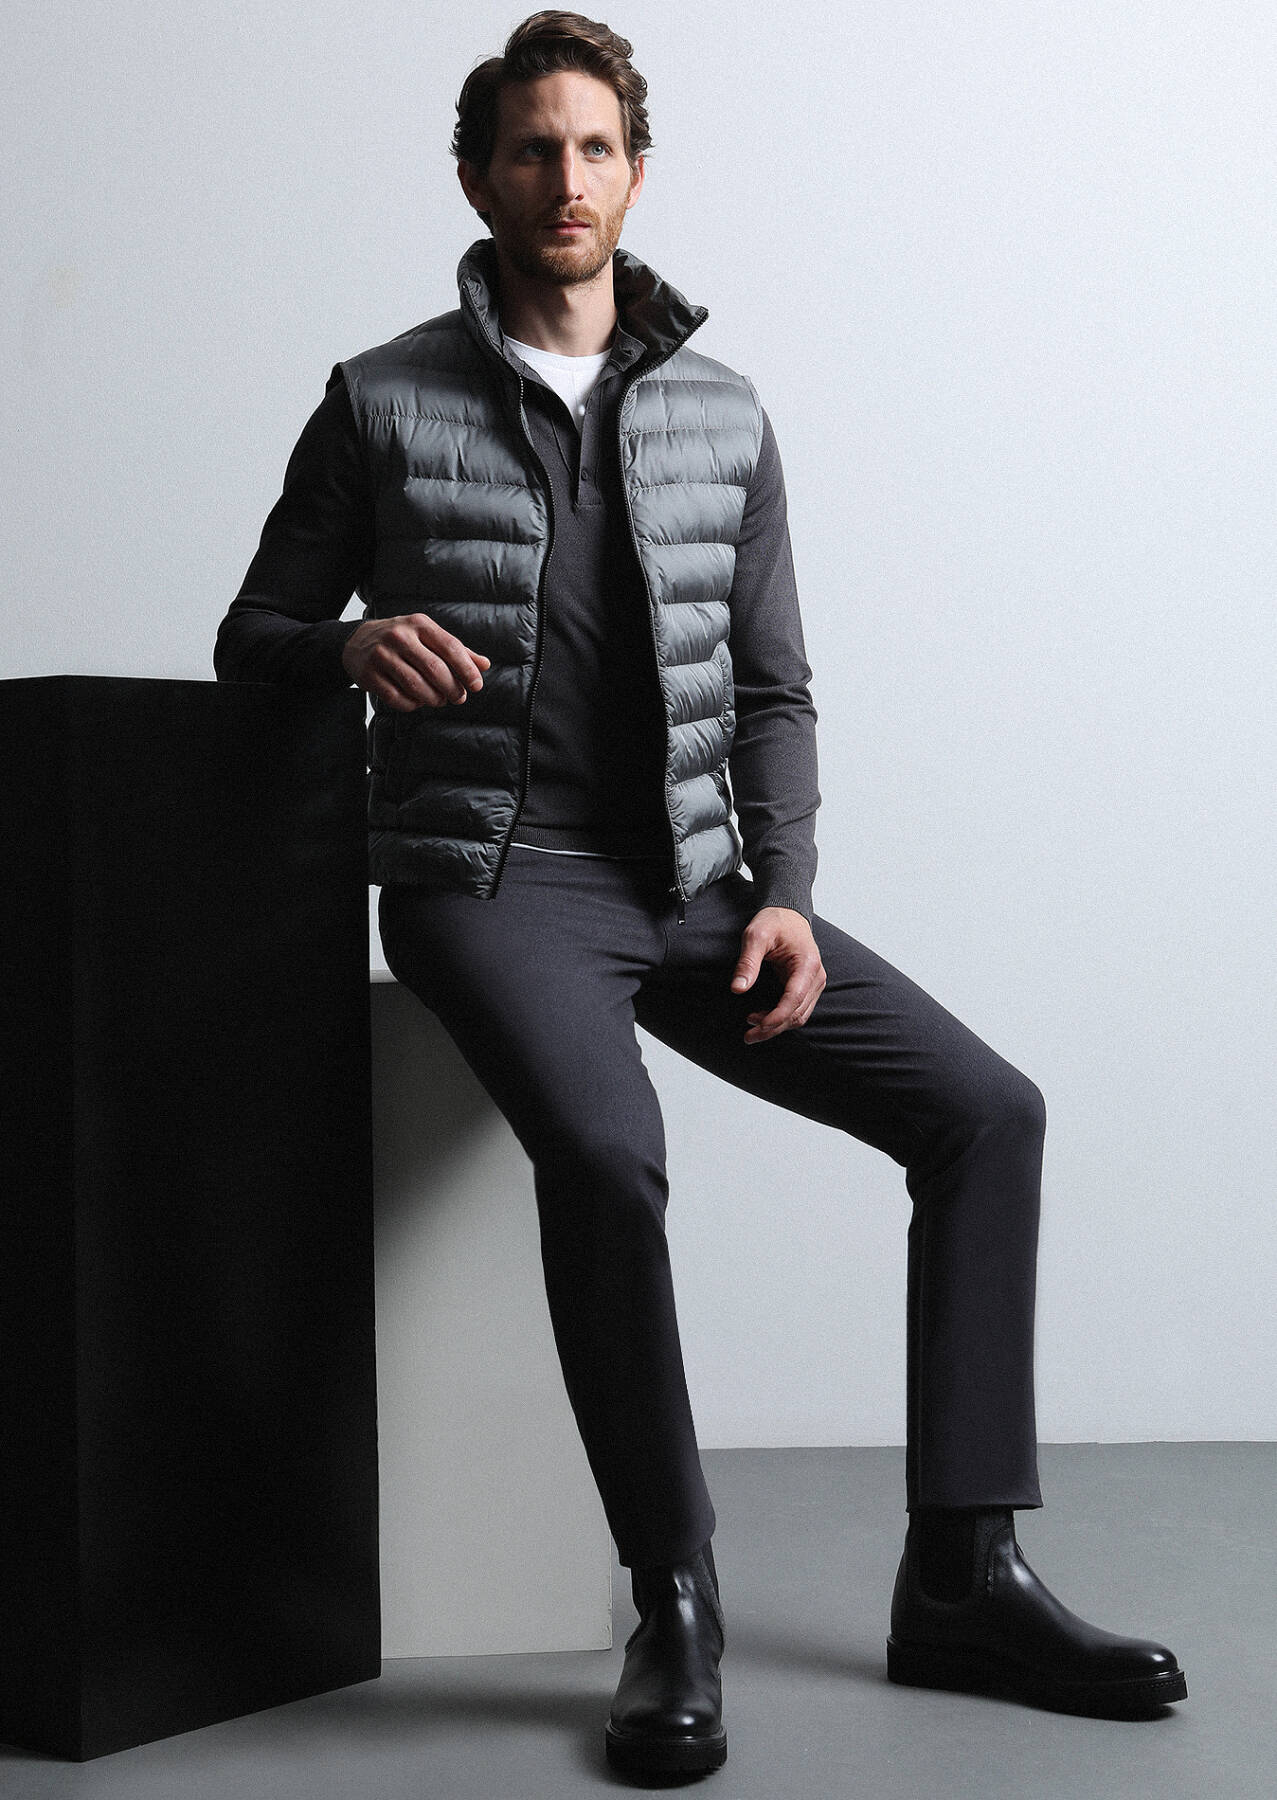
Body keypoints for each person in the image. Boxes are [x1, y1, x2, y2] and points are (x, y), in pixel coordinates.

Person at [214, 9, 1187, 1778]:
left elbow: (771, 691)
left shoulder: (721, 414)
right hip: (490, 881)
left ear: (636, 172)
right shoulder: (381, 398)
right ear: (476, 178)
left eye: (593, 147)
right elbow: (251, 633)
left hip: (692, 884)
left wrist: (784, 892)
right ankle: (672, 1598)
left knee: (986, 1113)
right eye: (531, 148)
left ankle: (962, 1576)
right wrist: (347, 646)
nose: (564, 179)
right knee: (606, 1155)